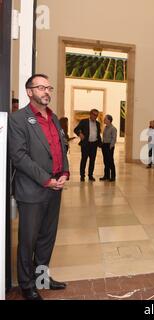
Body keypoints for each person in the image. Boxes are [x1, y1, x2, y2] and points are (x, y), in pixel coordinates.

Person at [8, 74, 69, 300]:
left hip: (55, 187)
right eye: (41, 87)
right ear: (29, 92)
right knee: (28, 239)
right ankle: (26, 285)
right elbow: (19, 156)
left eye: (49, 87)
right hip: (33, 189)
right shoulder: (18, 119)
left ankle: (41, 278)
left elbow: (62, 148)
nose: (46, 91)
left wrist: (64, 173)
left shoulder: (53, 118)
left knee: (47, 237)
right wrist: (46, 179)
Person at [73, 109, 102, 181]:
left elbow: (98, 134)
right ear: (90, 114)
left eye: (96, 115)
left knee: (92, 160)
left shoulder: (98, 124)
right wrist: (80, 134)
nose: (95, 117)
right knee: (84, 160)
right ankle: (82, 176)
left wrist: (100, 144)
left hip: (94, 144)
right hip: (86, 144)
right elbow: (76, 129)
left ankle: (90, 175)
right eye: (94, 115)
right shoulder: (84, 122)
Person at [100, 114, 117, 182]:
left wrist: (111, 146)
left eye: (105, 119)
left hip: (109, 146)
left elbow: (114, 138)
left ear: (109, 120)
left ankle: (113, 176)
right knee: (105, 161)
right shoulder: (105, 127)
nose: (104, 120)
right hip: (104, 145)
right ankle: (106, 175)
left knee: (110, 161)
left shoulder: (113, 128)